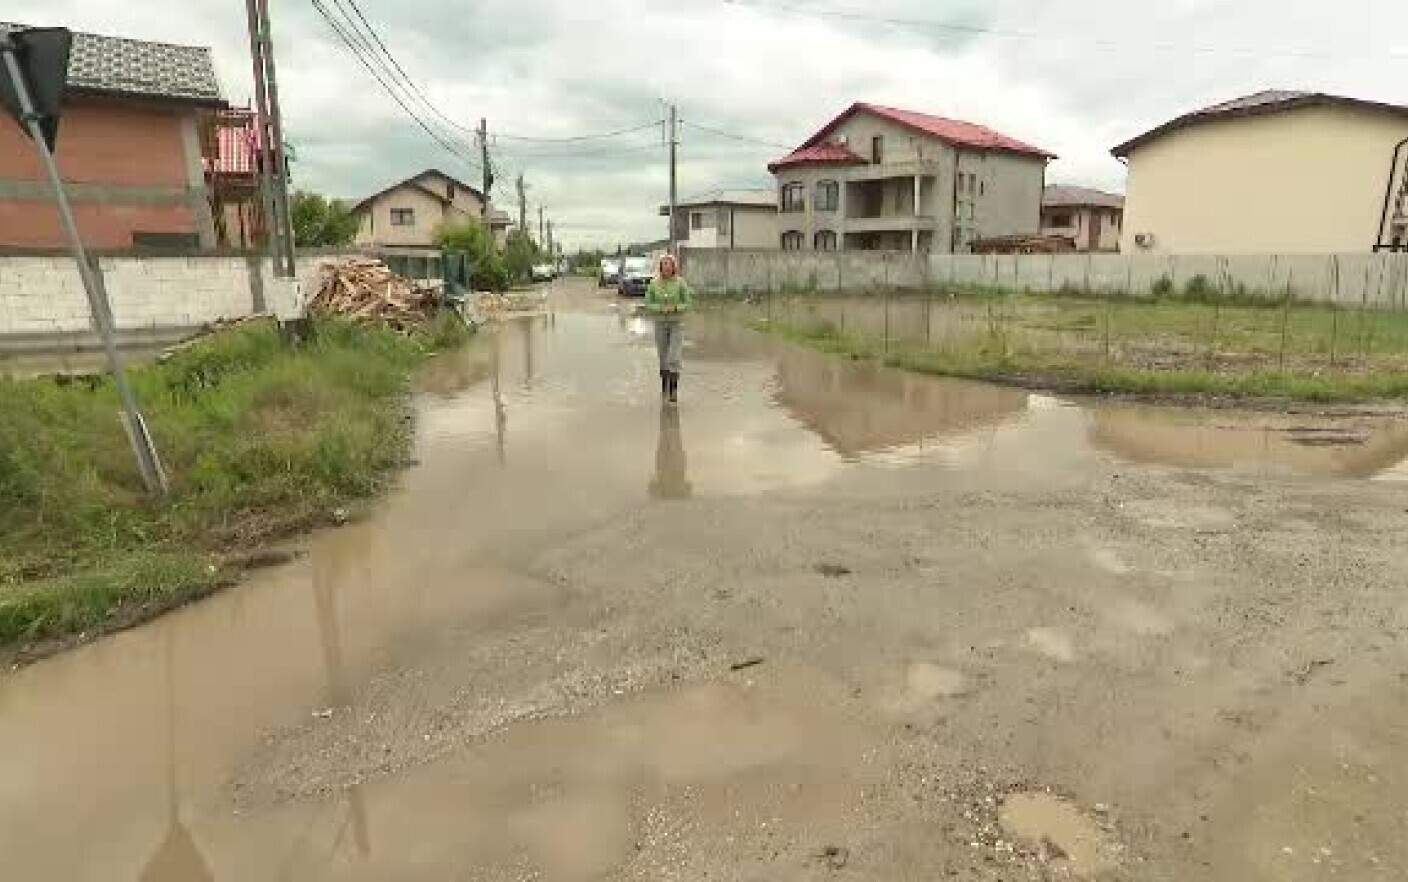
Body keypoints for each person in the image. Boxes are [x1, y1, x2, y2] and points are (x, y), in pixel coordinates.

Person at [643, 253, 693, 403]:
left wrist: (676, 307)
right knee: (663, 357)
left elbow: (688, 303)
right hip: (660, 324)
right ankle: (664, 387)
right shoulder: (653, 283)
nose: (666, 267)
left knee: (674, 357)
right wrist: (659, 308)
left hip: (676, 323)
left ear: (673, 267)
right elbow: (648, 303)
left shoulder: (680, 283)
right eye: (664, 264)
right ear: (660, 267)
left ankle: (673, 390)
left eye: (669, 264)